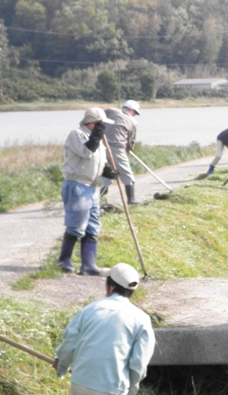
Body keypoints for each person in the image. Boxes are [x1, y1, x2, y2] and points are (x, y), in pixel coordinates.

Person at [54, 263, 155, 395]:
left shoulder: (90, 309)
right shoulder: (142, 320)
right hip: (113, 389)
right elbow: (139, 363)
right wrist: (132, 389)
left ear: (111, 287)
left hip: (80, 383)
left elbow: (70, 342)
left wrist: (62, 366)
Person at [58, 108, 119, 276]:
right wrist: (98, 133)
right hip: (77, 185)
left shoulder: (98, 140)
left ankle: (88, 265)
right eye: (101, 125)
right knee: (76, 226)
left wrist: (108, 172)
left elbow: (100, 161)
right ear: (92, 123)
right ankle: (63, 260)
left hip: (91, 187)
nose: (104, 129)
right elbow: (86, 152)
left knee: (93, 226)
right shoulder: (77, 134)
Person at [101, 100, 140, 204]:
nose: (134, 115)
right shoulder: (132, 122)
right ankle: (131, 200)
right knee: (127, 174)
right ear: (130, 110)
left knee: (107, 174)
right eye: (135, 113)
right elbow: (131, 140)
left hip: (102, 147)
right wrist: (129, 149)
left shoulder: (111, 111)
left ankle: (103, 201)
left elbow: (98, 114)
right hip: (117, 148)